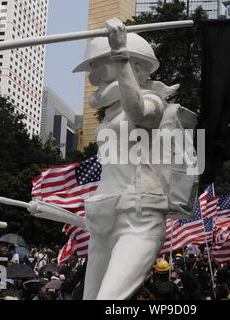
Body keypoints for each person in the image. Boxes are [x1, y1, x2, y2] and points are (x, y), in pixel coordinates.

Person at [73, 17, 196, 300]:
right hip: (104, 214)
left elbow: (138, 112)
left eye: (101, 70)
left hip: (139, 215)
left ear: (135, 69)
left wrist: (120, 53)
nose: (94, 80)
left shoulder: (153, 102)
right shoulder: (110, 116)